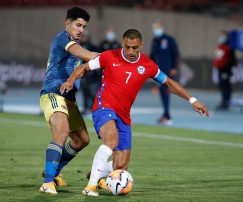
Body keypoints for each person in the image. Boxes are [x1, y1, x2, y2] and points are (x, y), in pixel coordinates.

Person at [60, 29, 209, 197]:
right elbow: (85, 67)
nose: (131, 51)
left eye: (135, 48)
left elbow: (169, 83)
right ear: (123, 43)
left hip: (124, 115)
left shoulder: (147, 65)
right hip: (104, 107)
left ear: (141, 45)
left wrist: (192, 100)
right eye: (128, 47)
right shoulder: (109, 56)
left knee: (121, 167)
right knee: (111, 140)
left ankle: (100, 173)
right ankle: (91, 187)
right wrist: (70, 80)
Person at [39, 7, 99, 195]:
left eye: (84, 26)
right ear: (67, 24)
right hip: (53, 94)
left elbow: (84, 66)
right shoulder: (63, 39)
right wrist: (114, 57)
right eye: (78, 25)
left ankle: (54, 171)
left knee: (82, 140)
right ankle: (48, 182)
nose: (81, 30)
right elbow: (85, 55)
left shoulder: (74, 45)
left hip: (69, 98)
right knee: (62, 132)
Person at [150, 20, 180, 125]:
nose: (155, 30)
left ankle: (167, 116)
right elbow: (152, 56)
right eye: (154, 28)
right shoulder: (154, 41)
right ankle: (165, 114)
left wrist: (174, 68)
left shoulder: (169, 40)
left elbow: (176, 55)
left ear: (161, 27)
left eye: (157, 27)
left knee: (166, 92)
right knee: (162, 93)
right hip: (157, 71)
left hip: (168, 71)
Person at [213, 31, 236, 110]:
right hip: (220, 69)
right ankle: (224, 101)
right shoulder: (220, 47)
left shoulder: (229, 48)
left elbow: (232, 60)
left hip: (225, 70)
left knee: (226, 86)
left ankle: (226, 102)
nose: (220, 38)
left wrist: (227, 71)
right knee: (222, 86)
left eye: (223, 36)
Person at [79, 30, 100, 115]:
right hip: (82, 73)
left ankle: (94, 108)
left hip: (92, 74)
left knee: (93, 92)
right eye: (83, 36)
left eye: (85, 36)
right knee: (84, 92)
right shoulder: (78, 47)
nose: (84, 38)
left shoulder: (93, 47)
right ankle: (85, 107)